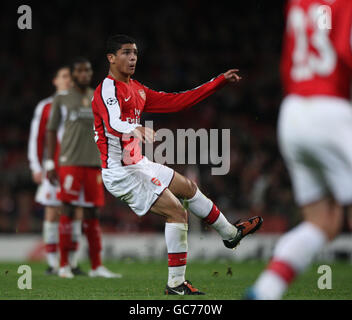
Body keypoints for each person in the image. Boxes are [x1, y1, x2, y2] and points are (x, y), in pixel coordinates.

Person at [92, 34, 263, 295]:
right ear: (111, 58)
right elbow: (112, 122)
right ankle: (175, 284)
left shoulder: (137, 89)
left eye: (135, 52)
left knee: (188, 188)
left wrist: (218, 83)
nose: (133, 57)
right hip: (121, 171)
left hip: (139, 163)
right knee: (177, 213)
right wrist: (134, 127)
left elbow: (177, 101)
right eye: (126, 52)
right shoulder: (107, 89)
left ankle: (230, 234)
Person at [247, 0, 352, 299]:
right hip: (330, 108)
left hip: (293, 110)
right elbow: (345, 52)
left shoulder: (298, 3)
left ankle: (266, 290)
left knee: (322, 222)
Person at [46, 57, 121, 279]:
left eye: (87, 71)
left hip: (93, 163)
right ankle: (64, 265)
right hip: (69, 162)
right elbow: (51, 130)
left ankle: (96, 266)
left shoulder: (96, 97)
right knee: (67, 210)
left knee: (93, 213)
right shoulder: (62, 99)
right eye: (79, 71)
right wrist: (51, 162)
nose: (84, 74)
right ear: (73, 74)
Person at [28, 66, 71, 275]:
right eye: (63, 76)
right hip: (53, 169)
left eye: (70, 77)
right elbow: (36, 139)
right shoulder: (45, 106)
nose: (68, 80)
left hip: (76, 168)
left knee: (75, 214)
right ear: (55, 80)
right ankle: (53, 263)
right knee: (52, 213)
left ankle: (70, 262)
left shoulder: (82, 105)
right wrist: (36, 166)